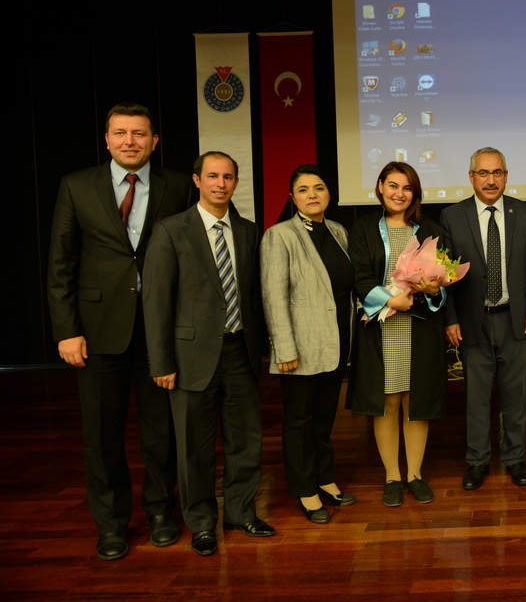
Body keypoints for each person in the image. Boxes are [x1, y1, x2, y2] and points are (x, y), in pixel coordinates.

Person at [46, 102, 192, 561]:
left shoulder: (177, 187)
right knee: (101, 435)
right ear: (107, 139)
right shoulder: (76, 186)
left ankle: (161, 513)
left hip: (159, 331)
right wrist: (67, 330)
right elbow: (61, 263)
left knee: (161, 433)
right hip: (97, 331)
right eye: (121, 133)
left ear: (154, 141)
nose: (130, 141)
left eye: (139, 133)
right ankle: (111, 524)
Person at [144, 151, 273, 557]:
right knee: (194, 448)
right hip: (189, 359)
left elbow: (253, 296)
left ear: (236, 183)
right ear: (197, 180)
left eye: (228, 177)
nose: (221, 183)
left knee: (245, 442)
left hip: (240, 352)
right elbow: (156, 301)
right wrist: (161, 362)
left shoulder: (248, 231)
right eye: (213, 176)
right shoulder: (171, 230)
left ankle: (240, 512)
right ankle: (201, 523)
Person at [440, 147, 526, 490]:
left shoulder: (525, 213)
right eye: (484, 173)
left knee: (517, 397)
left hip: (515, 319)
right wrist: (450, 318)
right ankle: (477, 461)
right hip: (472, 321)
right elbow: (444, 274)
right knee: (476, 398)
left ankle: (515, 459)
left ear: (506, 176)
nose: (491, 180)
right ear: (471, 177)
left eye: (497, 173)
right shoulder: (452, 216)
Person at [347, 161, 449, 506]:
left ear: (414, 193)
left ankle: (415, 475)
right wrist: (390, 300)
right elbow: (359, 275)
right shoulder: (363, 228)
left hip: (419, 326)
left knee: (415, 401)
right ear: (380, 187)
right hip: (381, 326)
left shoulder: (430, 229)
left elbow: (443, 279)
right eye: (393, 186)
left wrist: (433, 290)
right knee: (388, 401)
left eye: (407, 188)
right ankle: (392, 476)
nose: (399, 194)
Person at [261, 165, 357, 523]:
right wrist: (283, 348)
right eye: (303, 189)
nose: (312, 195)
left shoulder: (338, 231)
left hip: (337, 341)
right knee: (299, 420)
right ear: (292, 197)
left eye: (319, 188)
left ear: (329, 193)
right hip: (299, 347)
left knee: (324, 417)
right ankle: (305, 489)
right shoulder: (280, 235)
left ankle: (324, 477)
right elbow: (273, 295)